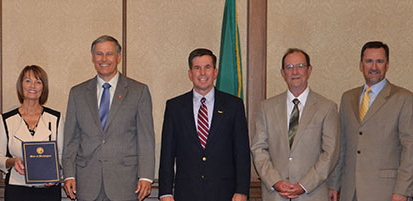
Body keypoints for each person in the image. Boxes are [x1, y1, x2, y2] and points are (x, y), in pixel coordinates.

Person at [62, 35, 155, 201]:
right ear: (92, 58)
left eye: (109, 54)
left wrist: (146, 176)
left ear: (118, 57)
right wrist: (68, 174)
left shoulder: (138, 91)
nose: (104, 59)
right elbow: (71, 140)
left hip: (125, 183)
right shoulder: (77, 93)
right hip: (87, 183)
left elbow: (146, 138)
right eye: (99, 54)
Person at [158, 48, 250, 201]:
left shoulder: (233, 105)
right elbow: (167, 153)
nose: (202, 73)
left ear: (215, 72)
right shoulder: (175, 107)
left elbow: (241, 152)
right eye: (197, 68)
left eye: (207, 67)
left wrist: (241, 190)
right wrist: (165, 192)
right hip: (186, 194)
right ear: (190, 74)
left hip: (225, 194)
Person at [328, 41, 413, 201]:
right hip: (350, 190)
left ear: (387, 65)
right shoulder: (348, 98)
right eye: (369, 61)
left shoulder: (404, 98)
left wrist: (403, 190)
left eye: (379, 61)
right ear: (361, 65)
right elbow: (342, 144)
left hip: (386, 192)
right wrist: (334, 184)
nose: (374, 67)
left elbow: (410, 148)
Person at [251, 48, 340, 201]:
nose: (295, 72)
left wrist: (304, 185)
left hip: (312, 194)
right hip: (276, 195)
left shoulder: (327, 108)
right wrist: (275, 182)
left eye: (300, 66)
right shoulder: (266, 108)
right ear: (282, 73)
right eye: (289, 67)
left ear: (309, 70)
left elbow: (330, 154)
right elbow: (259, 149)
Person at [0, 65, 63, 201]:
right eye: (28, 81)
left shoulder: (55, 118)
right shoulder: (6, 119)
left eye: (38, 82)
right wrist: (12, 161)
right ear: (21, 85)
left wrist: (56, 174)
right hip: (17, 190)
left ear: (43, 87)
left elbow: (63, 156)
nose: (33, 86)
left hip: (49, 190)